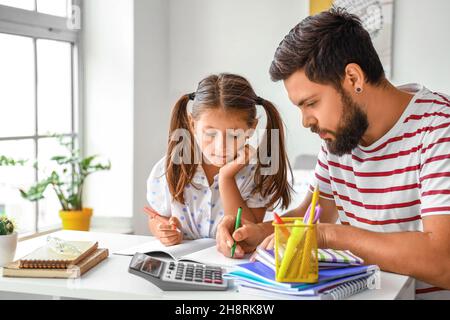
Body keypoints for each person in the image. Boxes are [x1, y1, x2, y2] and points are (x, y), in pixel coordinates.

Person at [216, 8, 450, 299]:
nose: (305, 121)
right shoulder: (340, 139)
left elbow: (444, 260)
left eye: (311, 103)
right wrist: (260, 232)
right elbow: (312, 215)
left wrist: (327, 235)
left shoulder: (439, 127)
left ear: (353, 78)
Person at [146, 73, 293, 246]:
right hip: (182, 262)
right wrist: (163, 230)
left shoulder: (258, 174)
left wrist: (227, 177)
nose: (221, 146)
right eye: (210, 134)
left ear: (251, 128)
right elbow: (156, 218)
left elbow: (245, 234)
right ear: (192, 125)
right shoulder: (169, 167)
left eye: (233, 135)